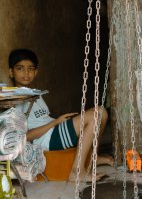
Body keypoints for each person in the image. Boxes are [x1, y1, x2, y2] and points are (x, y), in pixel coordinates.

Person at [8, 48, 113, 182]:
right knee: (94, 117)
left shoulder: (35, 93)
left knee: (101, 111)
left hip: (54, 130)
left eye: (30, 68)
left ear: (36, 72)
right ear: (11, 72)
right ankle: (77, 171)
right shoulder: (14, 100)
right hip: (48, 139)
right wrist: (55, 123)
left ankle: (92, 157)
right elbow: (25, 137)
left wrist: (58, 122)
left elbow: (42, 118)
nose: (26, 73)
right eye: (20, 68)